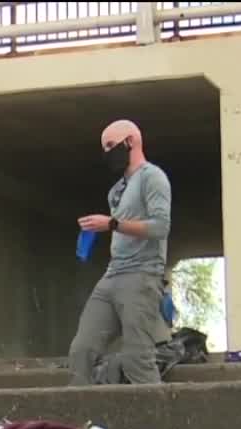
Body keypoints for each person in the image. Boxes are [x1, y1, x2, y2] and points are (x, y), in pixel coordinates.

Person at [68, 119, 172, 386]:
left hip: (142, 275)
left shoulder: (153, 177)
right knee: (82, 352)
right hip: (112, 275)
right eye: (104, 148)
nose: (107, 153)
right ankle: (81, 425)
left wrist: (112, 223)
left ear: (131, 141)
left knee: (137, 358)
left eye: (111, 146)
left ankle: (160, 425)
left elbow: (160, 227)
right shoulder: (116, 191)